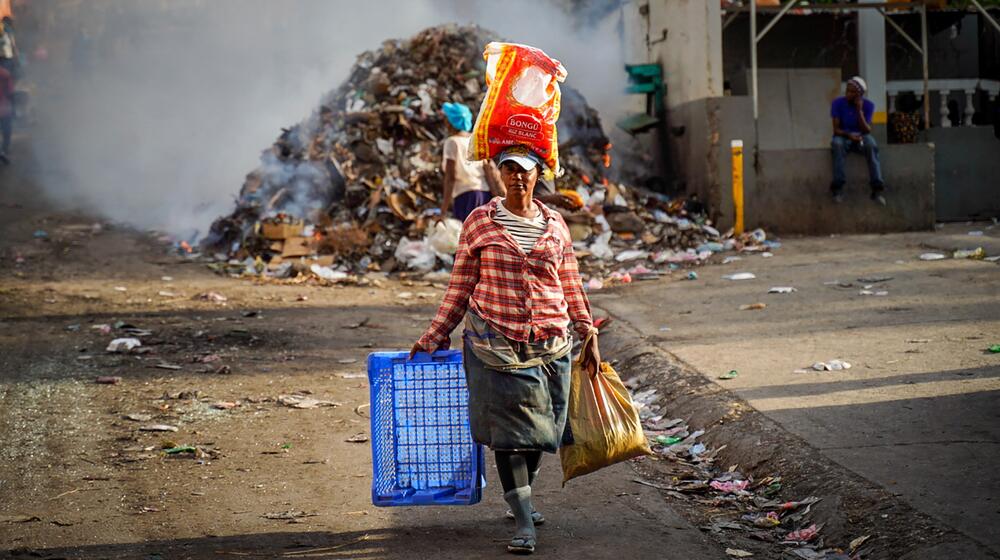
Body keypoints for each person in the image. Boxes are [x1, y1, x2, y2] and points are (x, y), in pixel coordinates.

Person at [411, 144, 600, 555]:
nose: (516, 177)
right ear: (499, 174)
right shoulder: (480, 222)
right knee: (510, 435)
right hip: (494, 342)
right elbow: (460, 284)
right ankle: (522, 519)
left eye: (525, 170)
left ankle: (522, 494)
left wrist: (587, 330)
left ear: (538, 175)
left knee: (540, 435)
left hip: (551, 343)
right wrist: (436, 332)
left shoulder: (555, 224)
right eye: (509, 169)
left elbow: (570, 281)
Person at [440, 102, 503, 222]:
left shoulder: (452, 142)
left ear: (450, 122)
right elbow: (487, 169)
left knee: (468, 237)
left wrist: (443, 211)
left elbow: (450, 177)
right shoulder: (475, 141)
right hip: (485, 194)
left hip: (466, 196)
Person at [830, 76, 886, 205]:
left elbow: (867, 130)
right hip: (844, 136)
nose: (848, 94)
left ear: (860, 94)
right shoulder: (837, 103)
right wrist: (849, 135)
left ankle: (877, 189)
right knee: (836, 144)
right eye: (847, 91)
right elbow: (836, 130)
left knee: (871, 145)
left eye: (852, 92)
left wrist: (859, 110)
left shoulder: (868, 106)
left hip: (862, 135)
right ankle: (837, 189)